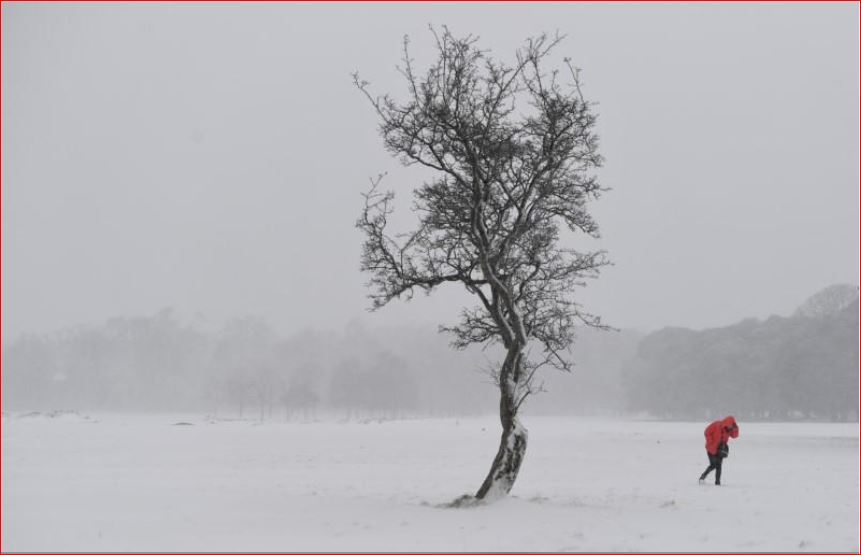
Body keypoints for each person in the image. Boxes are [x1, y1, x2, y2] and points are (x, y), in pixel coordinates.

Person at [698, 415, 739, 485]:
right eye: (730, 426)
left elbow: (734, 436)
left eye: (732, 426)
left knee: (719, 466)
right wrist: (710, 442)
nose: (730, 427)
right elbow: (706, 432)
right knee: (713, 465)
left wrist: (736, 428)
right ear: (727, 423)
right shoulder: (716, 425)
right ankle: (702, 477)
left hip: (721, 449)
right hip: (711, 448)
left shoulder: (729, 430)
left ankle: (717, 482)